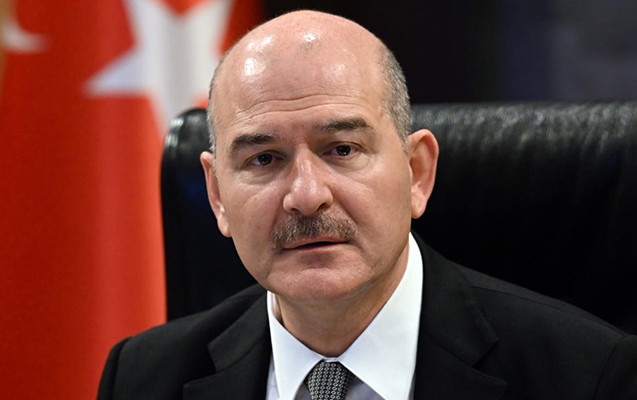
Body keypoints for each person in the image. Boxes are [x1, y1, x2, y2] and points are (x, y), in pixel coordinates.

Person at [98, 10, 637, 400]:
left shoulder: (588, 375)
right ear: (217, 195)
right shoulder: (143, 378)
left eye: (342, 150)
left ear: (416, 173)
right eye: (264, 159)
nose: (306, 195)